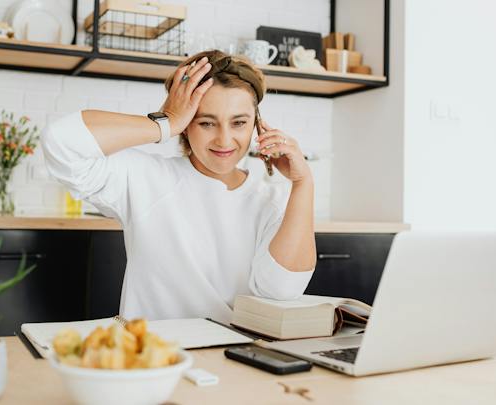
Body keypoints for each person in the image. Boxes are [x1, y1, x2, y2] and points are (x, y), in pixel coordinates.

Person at [43, 50, 316, 323]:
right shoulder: (146, 178)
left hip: (232, 356)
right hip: (154, 354)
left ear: (256, 125)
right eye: (207, 122)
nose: (224, 140)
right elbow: (60, 142)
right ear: (186, 125)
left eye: (239, 123)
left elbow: (281, 291)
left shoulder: (272, 200)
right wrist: (165, 121)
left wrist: (303, 183)